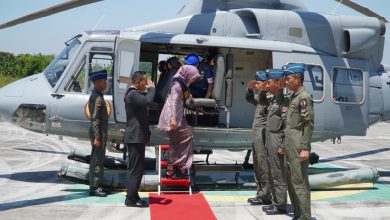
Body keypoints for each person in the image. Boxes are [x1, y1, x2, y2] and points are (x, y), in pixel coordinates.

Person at [282, 63, 314, 220]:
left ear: (297, 78)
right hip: (289, 143)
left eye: (288, 79)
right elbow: (281, 104)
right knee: (291, 181)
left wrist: (305, 148)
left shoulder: (304, 98)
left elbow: (308, 124)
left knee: (300, 182)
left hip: (297, 144)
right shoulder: (293, 97)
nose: (286, 82)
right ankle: (298, 214)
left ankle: (305, 217)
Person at [158, 65, 200, 178]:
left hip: (177, 116)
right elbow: (174, 102)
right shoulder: (177, 85)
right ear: (187, 74)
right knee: (185, 137)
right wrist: (173, 118)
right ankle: (175, 167)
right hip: (173, 117)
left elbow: (184, 96)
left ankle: (174, 168)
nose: (194, 80)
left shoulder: (181, 82)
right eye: (193, 77)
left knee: (177, 140)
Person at [123, 71, 155, 208]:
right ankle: (131, 198)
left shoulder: (134, 93)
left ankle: (133, 195)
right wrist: (152, 88)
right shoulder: (132, 94)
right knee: (135, 169)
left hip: (137, 137)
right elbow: (148, 100)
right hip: (135, 137)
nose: (146, 83)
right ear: (138, 82)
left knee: (137, 168)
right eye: (145, 81)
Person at [261, 69, 288, 215]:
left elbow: (286, 124)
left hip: (277, 138)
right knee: (271, 171)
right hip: (270, 138)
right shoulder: (274, 100)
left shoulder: (284, 101)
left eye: (270, 81)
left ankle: (280, 204)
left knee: (278, 172)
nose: (267, 83)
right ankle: (275, 202)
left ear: (277, 83)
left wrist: (283, 144)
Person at [245, 70, 272, 205]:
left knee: (262, 165)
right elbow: (249, 98)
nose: (256, 85)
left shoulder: (268, 98)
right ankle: (260, 192)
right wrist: (249, 89)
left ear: (266, 84)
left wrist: (262, 90)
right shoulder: (261, 97)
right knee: (256, 165)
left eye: (258, 83)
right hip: (256, 136)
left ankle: (266, 195)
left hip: (262, 136)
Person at [88, 70, 109, 197]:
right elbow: (95, 119)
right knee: (96, 160)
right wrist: (97, 137)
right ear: (97, 83)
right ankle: (94, 187)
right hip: (98, 134)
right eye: (104, 81)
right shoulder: (96, 98)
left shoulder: (99, 95)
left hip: (101, 133)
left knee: (100, 160)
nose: (106, 83)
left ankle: (99, 185)